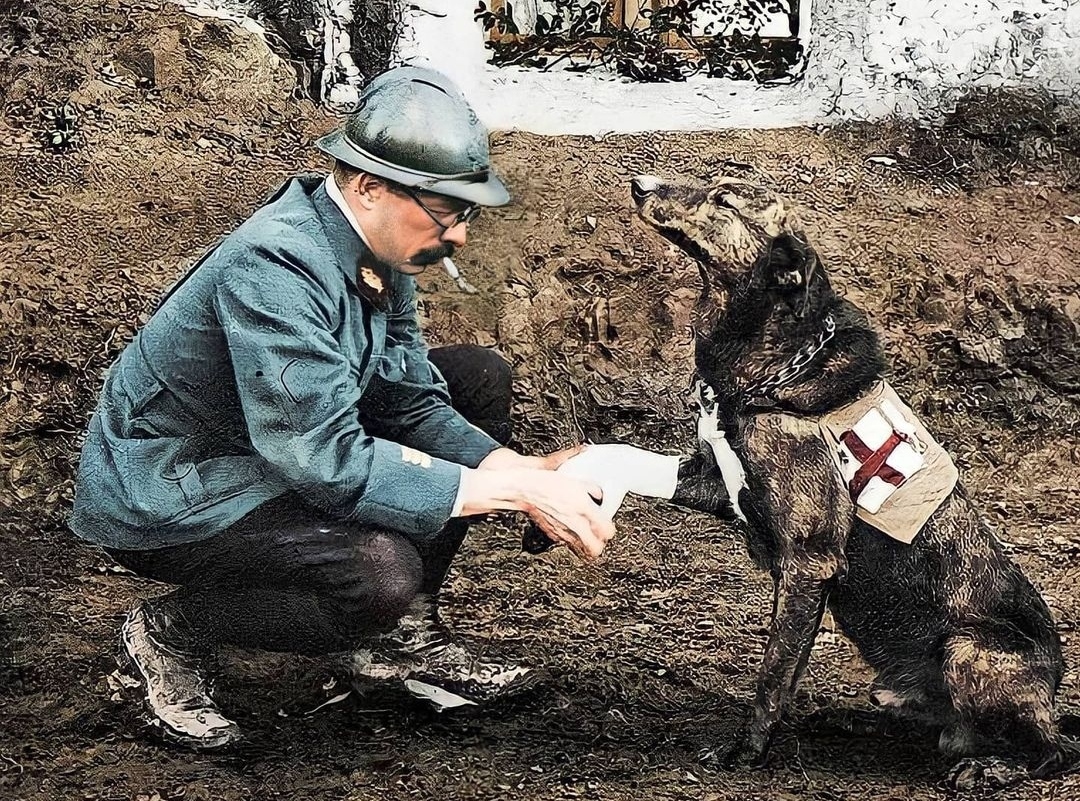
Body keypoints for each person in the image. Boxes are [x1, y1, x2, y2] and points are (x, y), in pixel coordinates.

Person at [68, 65, 616, 750]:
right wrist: (509, 489)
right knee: (378, 572)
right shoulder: (274, 262)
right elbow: (326, 461)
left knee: (475, 377)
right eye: (446, 211)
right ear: (367, 186)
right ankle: (167, 631)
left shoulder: (378, 250)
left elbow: (411, 400)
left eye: (466, 212)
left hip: (273, 455)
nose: (461, 237)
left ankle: (397, 641)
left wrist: (521, 470)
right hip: (176, 487)